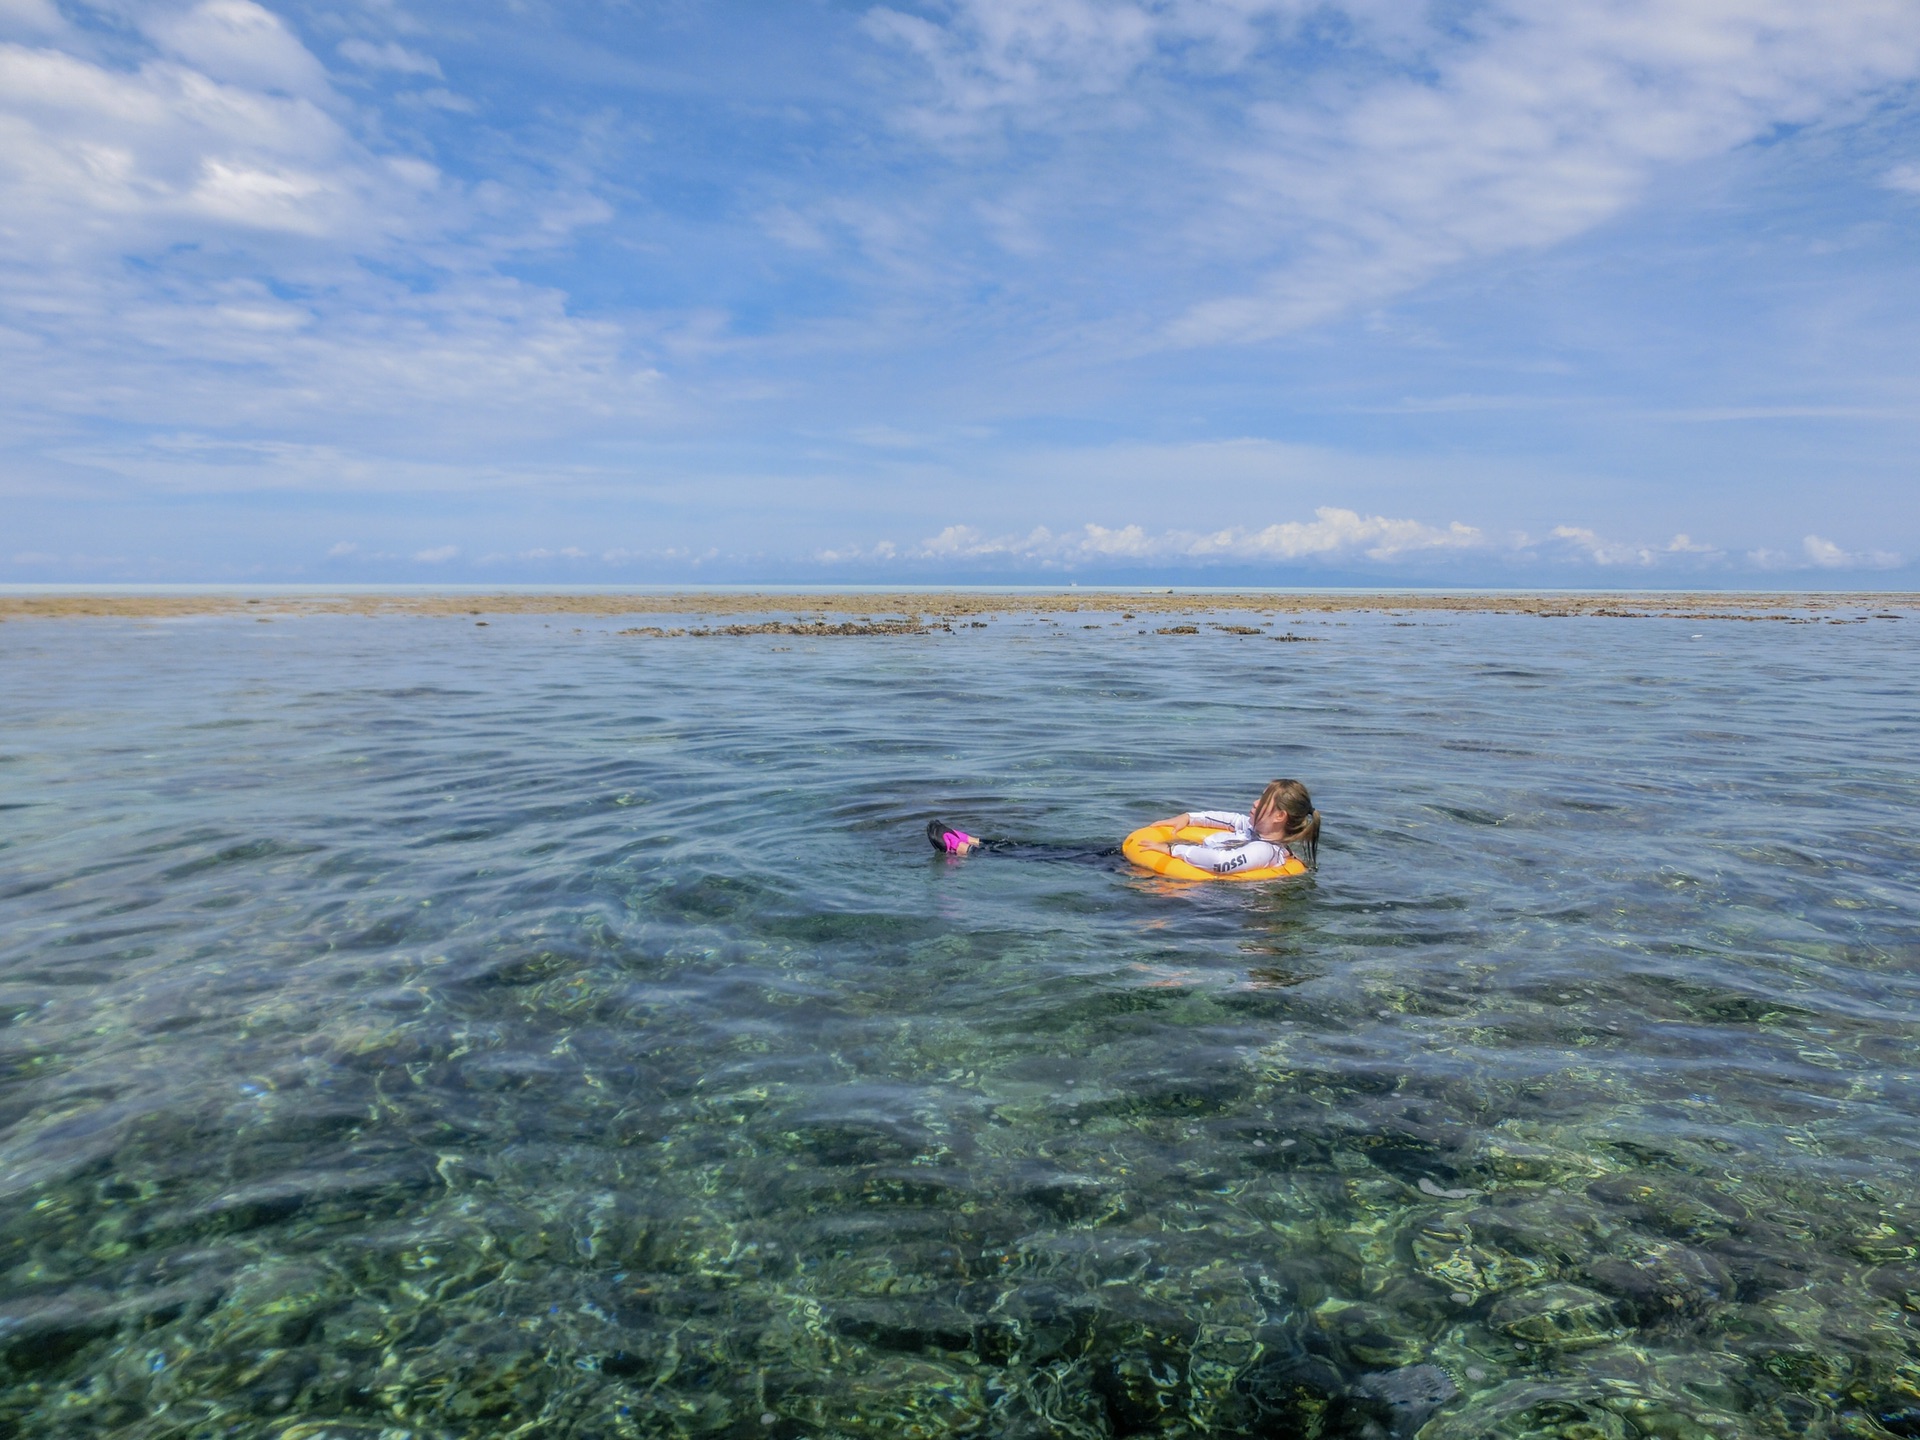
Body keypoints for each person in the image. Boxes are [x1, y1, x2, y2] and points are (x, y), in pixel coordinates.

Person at [927, 778, 1320, 873]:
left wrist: (1172, 849)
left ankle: (968, 852)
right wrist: (1182, 820)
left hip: (1161, 880)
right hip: (1146, 863)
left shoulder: (1265, 851)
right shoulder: (1249, 829)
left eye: (1263, 802)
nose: (1253, 804)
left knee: (1067, 862)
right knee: (1067, 851)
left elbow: (1219, 866)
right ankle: (980, 843)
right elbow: (1211, 817)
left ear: (1280, 816)